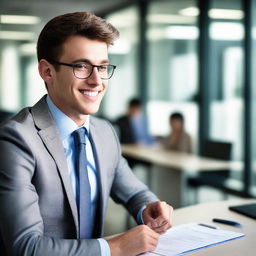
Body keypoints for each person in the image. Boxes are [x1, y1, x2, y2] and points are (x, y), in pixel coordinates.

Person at [0, 12, 173, 256]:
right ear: (47, 71)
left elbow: (134, 191)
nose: (96, 80)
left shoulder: (104, 132)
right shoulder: (16, 140)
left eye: (102, 67)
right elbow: (27, 247)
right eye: (81, 66)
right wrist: (117, 247)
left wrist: (148, 208)